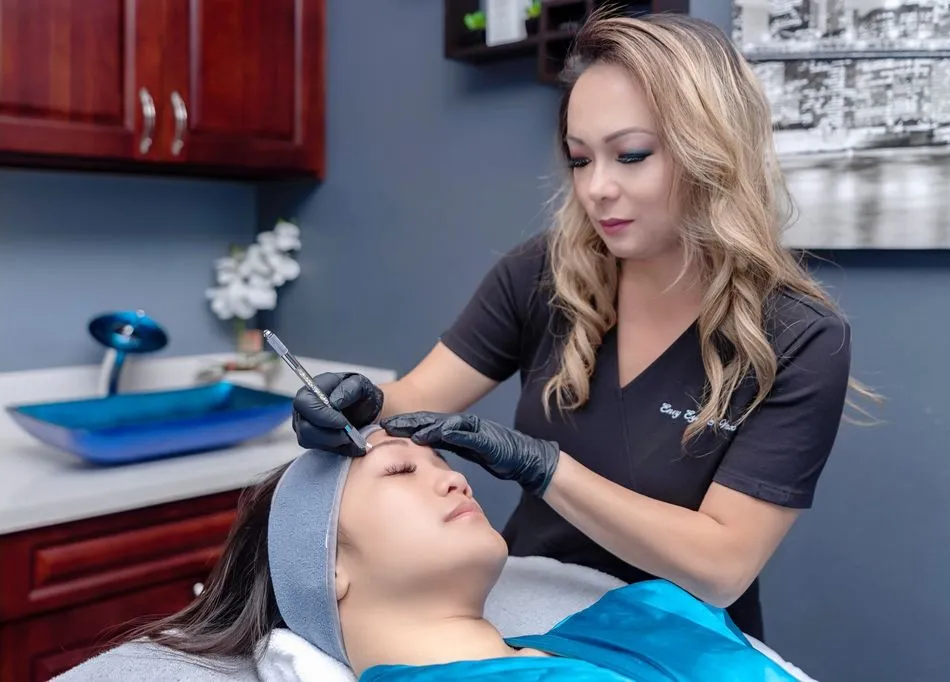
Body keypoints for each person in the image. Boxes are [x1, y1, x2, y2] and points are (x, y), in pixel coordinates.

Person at [291, 12, 880, 640]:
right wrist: (361, 403)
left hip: (674, 648)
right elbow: (414, 399)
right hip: (530, 619)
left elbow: (722, 567)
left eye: (631, 155)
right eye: (580, 159)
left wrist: (544, 468)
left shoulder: (798, 336)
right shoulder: (543, 274)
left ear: (713, 152)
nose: (597, 188)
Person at [118, 426, 805, 681]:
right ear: (328, 566)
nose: (455, 478)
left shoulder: (638, 613)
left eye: (441, 462)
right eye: (399, 471)